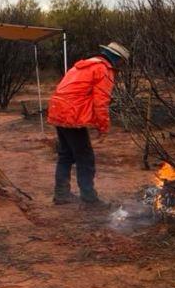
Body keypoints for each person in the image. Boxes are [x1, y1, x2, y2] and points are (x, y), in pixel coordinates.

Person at [47, 42, 130, 208]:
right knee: (85, 157)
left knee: (66, 154)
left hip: (58, 110)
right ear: (116, 58)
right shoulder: (103, 70)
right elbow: (101, 102)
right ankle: (89, 198)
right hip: (72, 115)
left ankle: (61, 194)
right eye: (121, 62)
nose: (121, 66)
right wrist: (103, 127)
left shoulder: (82, 65)